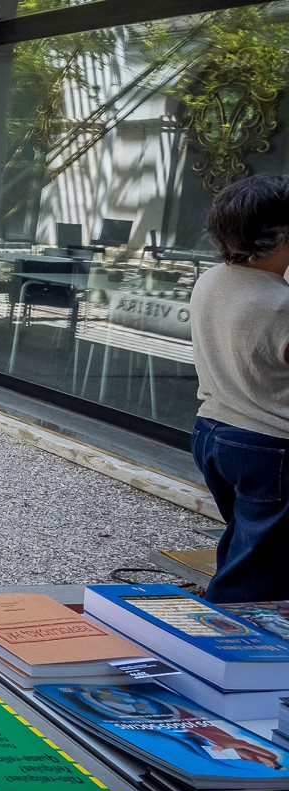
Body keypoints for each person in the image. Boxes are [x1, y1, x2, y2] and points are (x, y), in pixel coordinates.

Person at [191, 173, 289, 603]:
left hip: (214, 432)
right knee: (254, 580)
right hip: (270, 448)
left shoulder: (212, 279)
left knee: (246, 547)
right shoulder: (279, 304)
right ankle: (220, 648)